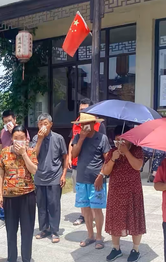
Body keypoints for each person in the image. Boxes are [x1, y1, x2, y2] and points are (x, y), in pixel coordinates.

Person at [0, 124, 38, 262]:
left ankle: (27, 260)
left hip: (27, 195)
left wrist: (24, 154)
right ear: (12, 138)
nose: (19, 141)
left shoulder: (31, 152)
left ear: (26, 139)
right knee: (10, 230)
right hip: (9, 196)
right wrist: (0, 194)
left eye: (22, 138)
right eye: (16, 138)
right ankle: (11, 259)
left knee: (27, 229)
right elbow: (0, 174)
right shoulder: (5, 153)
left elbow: (34, 170)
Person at [102, 126, 146, 262]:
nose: (120, 143)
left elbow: (138, 166)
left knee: (134, 218)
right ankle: (116, 248)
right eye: (117, 141)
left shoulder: (137, 150)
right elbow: (106, 171)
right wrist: (113, 159)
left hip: (133, 190)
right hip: (116, 190)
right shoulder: (112, 152)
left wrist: (127, 152)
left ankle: (135, 249)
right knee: (115, 218)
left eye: (123, 140)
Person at [71, 113, 111, 249]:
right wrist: (81, 138)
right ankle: (90, 235)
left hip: (97, 180)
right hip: (82, 179)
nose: (85, 126)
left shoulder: (102, 138)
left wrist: (101, 175)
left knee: (97, 209)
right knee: (86, 210)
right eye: (82, 124)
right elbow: (73, 155)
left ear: (95, 124)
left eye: (88, 123)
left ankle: (99, 237)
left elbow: (107, 160)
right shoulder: (78, 137)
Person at [68, 98, 107, 226]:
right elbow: (72, 141)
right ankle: (83, 216)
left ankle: (96, 223)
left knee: (96, 202)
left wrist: (102, 173)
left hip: (95, 170)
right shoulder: (77, 125)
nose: (82, 113)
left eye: (85, 110)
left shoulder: (99, 127)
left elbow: (102, 149)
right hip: (79, 166)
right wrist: (69, 157)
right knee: (82, 199)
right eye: (80, 110)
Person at [32, 113, 68, 244]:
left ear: (51, 125)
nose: (43, 126)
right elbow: (33, 156)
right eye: (40, 124)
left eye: (45, 123)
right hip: (40, 176)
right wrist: (40, 139)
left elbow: (65, 156)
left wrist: (64, 174)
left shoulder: (58, 138)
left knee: (54, 205)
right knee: (41, 205)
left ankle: (54, 231)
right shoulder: (36, 138)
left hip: (55, 176)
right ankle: (43, 229)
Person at [0, 110, 30, 230]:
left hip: (19, 165)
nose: (7, 123)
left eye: (9, 120)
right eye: (5, 121)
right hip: (5, 164)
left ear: (15, 119)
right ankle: (2, 216)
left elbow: (27, 146)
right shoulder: (2, 132)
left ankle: (18, 216)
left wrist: (12, 133)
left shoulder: (21, 131)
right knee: (2, 188)